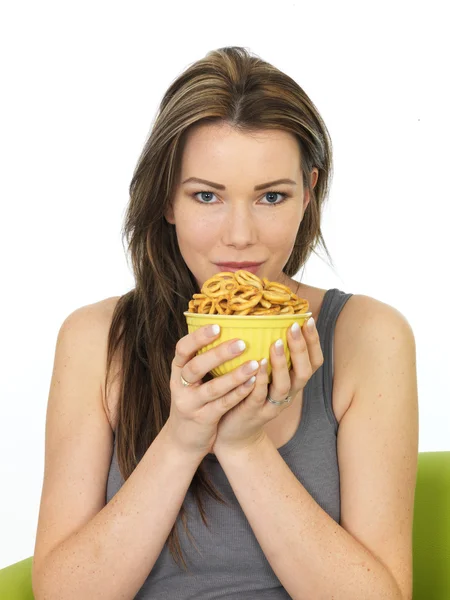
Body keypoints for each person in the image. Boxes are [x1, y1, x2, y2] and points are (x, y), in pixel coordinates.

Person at [31, 46, 418, 600]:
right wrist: (184, 438)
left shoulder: (368, 336)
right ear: (167, 199)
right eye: (207, 195)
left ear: (308, 194)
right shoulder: (95, 339)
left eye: (271, 196)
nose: (239, 235)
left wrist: (244, 444)